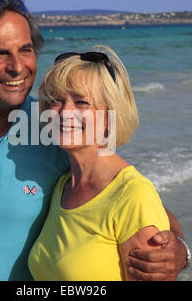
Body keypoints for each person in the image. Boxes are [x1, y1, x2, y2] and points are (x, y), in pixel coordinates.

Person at [0, 0, 189, 281]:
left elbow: (132, 200)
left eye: (25, 50)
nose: (17, 66)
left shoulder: (52, 129)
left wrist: (179, 250)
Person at [29, 46, 180, 280]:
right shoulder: (63, 186)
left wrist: (182, 250)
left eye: (81, 103)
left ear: (111, 117)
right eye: (57, 100)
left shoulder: (133, 194)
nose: (65, 112)